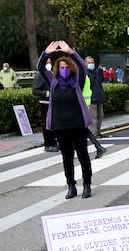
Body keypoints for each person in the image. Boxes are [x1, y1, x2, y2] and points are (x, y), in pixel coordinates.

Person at [46, 52, 94, 199]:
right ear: (56, 69)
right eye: (61, 67)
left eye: (66, 66)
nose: (64, 69)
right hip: (60, 126)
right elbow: (40, 67)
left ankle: (87, 185)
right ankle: (71, 186)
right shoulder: (53, 82)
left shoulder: (77, 81)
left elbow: (83, 67)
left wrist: (71, 52)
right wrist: (46, 53)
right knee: (67, 158)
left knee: (83, 156)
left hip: (78, 125)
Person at [83, 56, 107, 157]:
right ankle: (94, 134)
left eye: (92, 62)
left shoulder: (97, 72)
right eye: (89, 62)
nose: (91, 64)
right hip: (90, 99)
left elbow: (100, 83)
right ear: (85, 63)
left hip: (99, 97)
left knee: (100, 116)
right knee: (93, 118)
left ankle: (98, 132)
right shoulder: (85, 74)